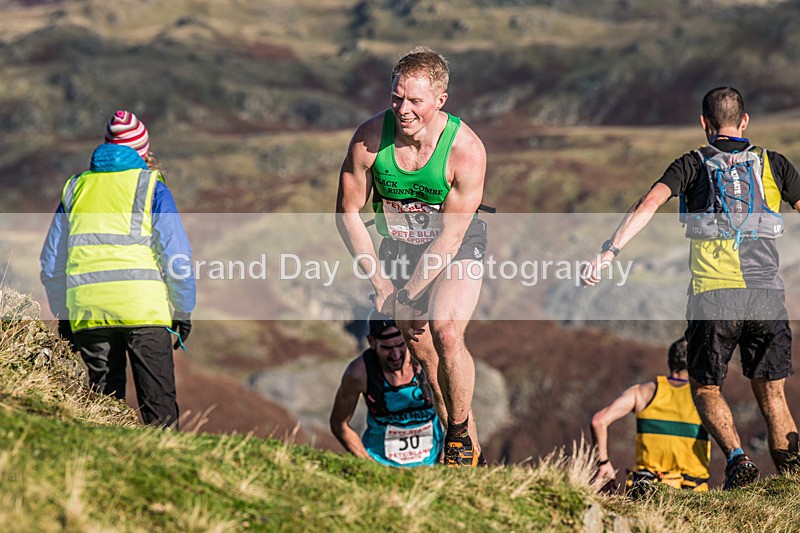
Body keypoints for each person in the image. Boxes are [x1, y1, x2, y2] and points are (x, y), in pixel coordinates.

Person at [582, 87, 800, 489]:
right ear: (745, 121)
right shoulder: (774, 164)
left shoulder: (692, 164)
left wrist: (609, 251)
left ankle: (737, 459)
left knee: (706, 387)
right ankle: (793, 482)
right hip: (767, 295)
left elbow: (648, 203)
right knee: (773, 394)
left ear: (704, 123)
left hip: (713, 296)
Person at [335, 46, 488, 466]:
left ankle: (457, 435)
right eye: (396, 98)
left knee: (446, 331)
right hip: (399, 247)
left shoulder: (466, 150)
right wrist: (381, 284)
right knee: (424, 356)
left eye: (415, 101)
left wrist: (407, 295)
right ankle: (468, 457)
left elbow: (450, 238)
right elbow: (347, 214)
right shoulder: (368, 141)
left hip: (455, 245)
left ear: (440, 100)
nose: (403, 110)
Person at [40, 110, 195, 428]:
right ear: (143, 151)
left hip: (88, 311)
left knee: (102, 410)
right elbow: (176, 257)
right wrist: (183, 308)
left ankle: (97, 460)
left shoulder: (75, 189)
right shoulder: (151, 187)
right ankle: (165, 459)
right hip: (144, 311)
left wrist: (64, 314)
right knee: (159, 411)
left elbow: (51, 261)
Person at [591, 337, 710, 494]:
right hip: (691, 494)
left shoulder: (642, 392)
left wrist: (603, 463)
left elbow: (599, 421)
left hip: (645, 492)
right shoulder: (706, 399)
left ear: (670, 362)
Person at [329, 312, 445, 466]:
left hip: (433, 465)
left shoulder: (430, 363)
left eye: (400, 345)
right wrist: (369, 465)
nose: (396, 355)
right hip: (381, 465)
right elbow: (339, 423)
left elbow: (458, 413)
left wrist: (446, 459)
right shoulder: (359, 373)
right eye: (387, 348)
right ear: (371, 342)